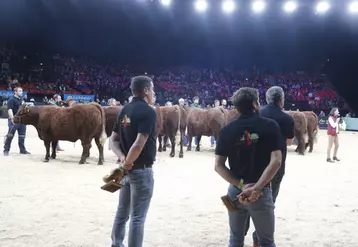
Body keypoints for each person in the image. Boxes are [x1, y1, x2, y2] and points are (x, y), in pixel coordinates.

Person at [215, 87, 282, 247]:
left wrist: (241, 185)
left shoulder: (227, 130)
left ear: (237, 107)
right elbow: (276, 161)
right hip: (261, 193)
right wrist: (256, 188)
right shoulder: (270, 126)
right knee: (266, 241)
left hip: (234, 194)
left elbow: (218, 166)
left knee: (235, 239)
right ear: (255, 103)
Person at [110, 75, 156, 247]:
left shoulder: (124, 109)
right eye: (152, 89)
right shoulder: (148, 111)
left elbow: (112, 140)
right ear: (145, 90)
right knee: (137, 217)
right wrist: (127, 162)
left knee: (122, 213)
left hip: (125, 170)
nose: (153, 92)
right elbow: (139, 142)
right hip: (141, 170)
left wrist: (123, 161)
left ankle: (116, 243)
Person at [247, 86, 294, 246]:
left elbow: (250, 140)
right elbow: (288, 141)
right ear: (281, 100)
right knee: (270, 202)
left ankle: (248, 235)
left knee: (249, 197)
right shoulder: (287, 119)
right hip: (276, 167)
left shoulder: (256, 115)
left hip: (255, 165)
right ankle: (258, 238)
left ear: (266, 99)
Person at [3, 87, 31, 156]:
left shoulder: (21, 100)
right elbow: (10, 110)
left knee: (22, 136)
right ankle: (6, 150)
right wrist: (12, 119)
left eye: (22, 91)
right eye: (20, 91)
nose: (22, 92)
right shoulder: (11, 100)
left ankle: (22, 150)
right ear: (15, 92)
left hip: (22, 121)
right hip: (14, 120)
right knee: (10, 136)